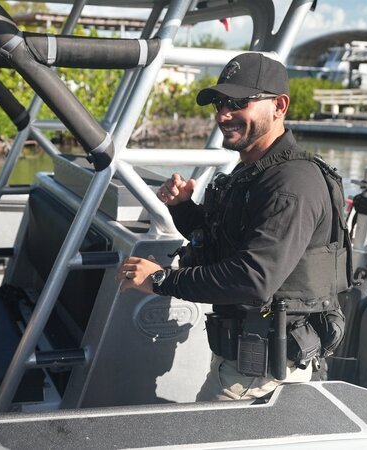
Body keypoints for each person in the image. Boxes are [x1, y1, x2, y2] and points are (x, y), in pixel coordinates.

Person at [119, 53, 350, 401]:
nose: (223, 114)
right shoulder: (257, 170)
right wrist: (184, 209)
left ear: (279, 106)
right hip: (242, 358)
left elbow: (252, 279)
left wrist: (162, 281)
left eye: (240, 102)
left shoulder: (292, 183)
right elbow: (226, 245)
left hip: (263, 374)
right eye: (220, 102)